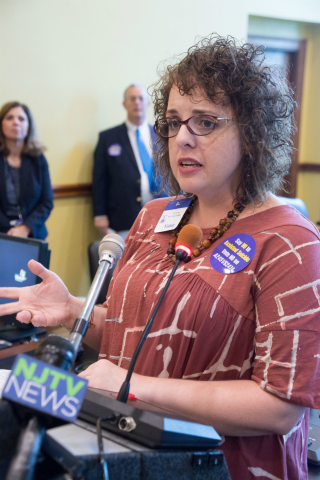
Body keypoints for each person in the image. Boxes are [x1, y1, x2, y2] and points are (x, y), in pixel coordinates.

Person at [0, 35, 320, 480]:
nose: (182, 137)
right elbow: (134, 334)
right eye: (173, 122)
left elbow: (281, 405)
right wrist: (73, 308)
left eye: (205, 122)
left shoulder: (289, 241)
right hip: (121, 449)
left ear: (253, 131)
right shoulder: (154, 216)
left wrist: (132, 387)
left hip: (223, 467)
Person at [92, 83, 165, 237]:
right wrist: (99, 214)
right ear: (124, 104)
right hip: (124, 216)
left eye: (140, 98)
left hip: (162, 215)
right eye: (132, 99)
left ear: (148, 103)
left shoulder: (162, 135)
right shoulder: (108, 138)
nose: (137, 102)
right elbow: (100, 179)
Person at [0, 101, 53, 240]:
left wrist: (25, 228)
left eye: (21, 119)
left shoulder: (38, 159)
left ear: (28, 126)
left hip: (32, 235)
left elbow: (46, 202)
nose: (16, 122)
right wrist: (9, 231)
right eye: (9, 118)